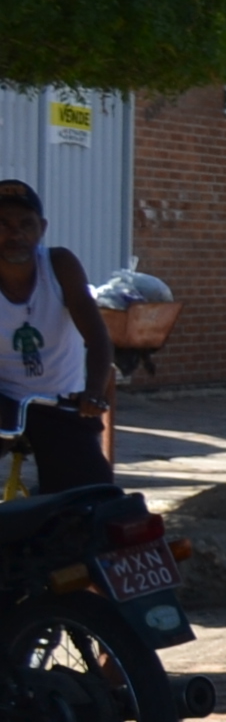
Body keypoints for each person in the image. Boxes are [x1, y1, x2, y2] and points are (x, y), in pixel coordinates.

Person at [0, 176, 117, 491]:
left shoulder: (60, 265)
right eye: (4, 224)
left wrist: (94, 392)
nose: (16, 234)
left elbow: (98, 339)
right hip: (4, 399)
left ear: (42, 228)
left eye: (26, 224)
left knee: (90, 496)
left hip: (59, 402)